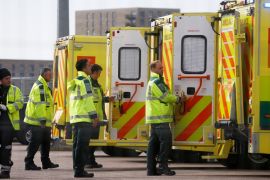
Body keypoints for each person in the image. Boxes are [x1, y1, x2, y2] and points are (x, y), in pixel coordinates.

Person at [145, 60, 185, 176]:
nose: (162, 70)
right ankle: (162, 166)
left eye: (162, 68)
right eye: (160, 68)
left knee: (153, 145)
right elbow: (166, 97)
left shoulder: (152, 82)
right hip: (160, 119)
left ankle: (151, 170)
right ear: (153, 69)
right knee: (166, 142)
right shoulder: (157, 82)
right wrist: (178, 99)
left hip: (154, 119)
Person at [68, 59, 99, 178]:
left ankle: (77, 169)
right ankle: (80, 171)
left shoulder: (75, 81)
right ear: (84, 68)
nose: (91, 67)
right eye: (89, 65)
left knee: (76, 146)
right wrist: (94, 116)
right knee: (82, 147)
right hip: (84, 118)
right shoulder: (85, 81)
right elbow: (87, 100)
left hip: (75, 118)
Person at [24, 68, 59, 170]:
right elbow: (40, 105)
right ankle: (28, 163)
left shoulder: (43, 86)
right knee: (35, 143)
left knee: (45, 143)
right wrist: (42, 120)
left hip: (42, 122)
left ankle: (46, 162)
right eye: (49, 75)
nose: (51, 77)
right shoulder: (41, 87)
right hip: (38, 122)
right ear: (44, 74)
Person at [86, 64, 114, 169]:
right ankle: (88, 161)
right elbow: (88, 101)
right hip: (91, 118)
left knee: (94, 141)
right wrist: (93, 117)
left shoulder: (97, 85)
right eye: (99, 73)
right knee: (90, 142)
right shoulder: (88, 84)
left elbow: (99, 99)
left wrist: (107, 99)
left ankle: (91, 161)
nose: (99, 75)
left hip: (97, 118)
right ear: (94, 72)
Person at [0, 68, 23, 179]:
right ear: (1, 80)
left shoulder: (15, 90)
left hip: (9, 126)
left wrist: (7, 108)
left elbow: (20, 103)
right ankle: (6, 161)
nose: (9, 80)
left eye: (10, 78)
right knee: (3, 151)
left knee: (6, 148)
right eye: (6, 78)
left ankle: (5, 172)